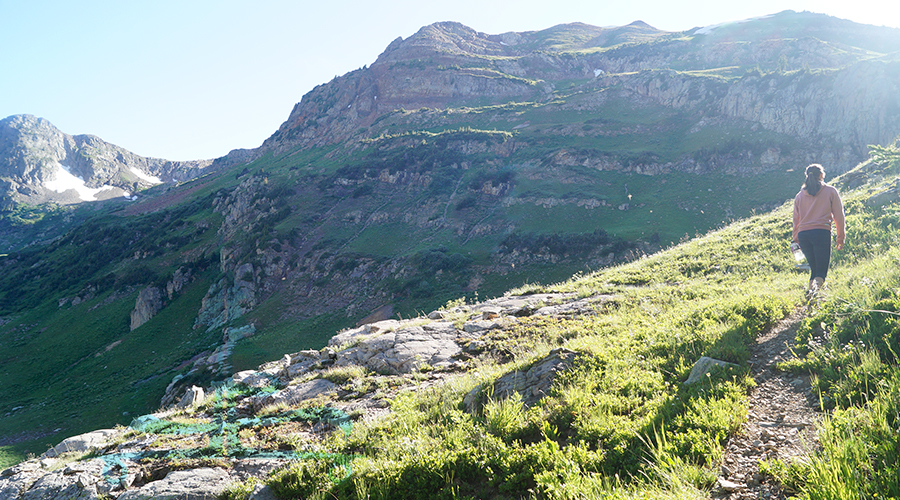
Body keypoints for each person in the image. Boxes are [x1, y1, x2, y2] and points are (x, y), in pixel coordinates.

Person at [792, 164, 846, 293]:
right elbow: (839, 216)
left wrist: (795, 240)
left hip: (804, 235)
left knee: (814, 270)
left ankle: (811, 298)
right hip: (821, 233)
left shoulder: (799, 196)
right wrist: (841, 237)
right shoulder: (830, 191)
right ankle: (814, 294)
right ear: (822, 175)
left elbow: (796, 221)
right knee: (821, 272)